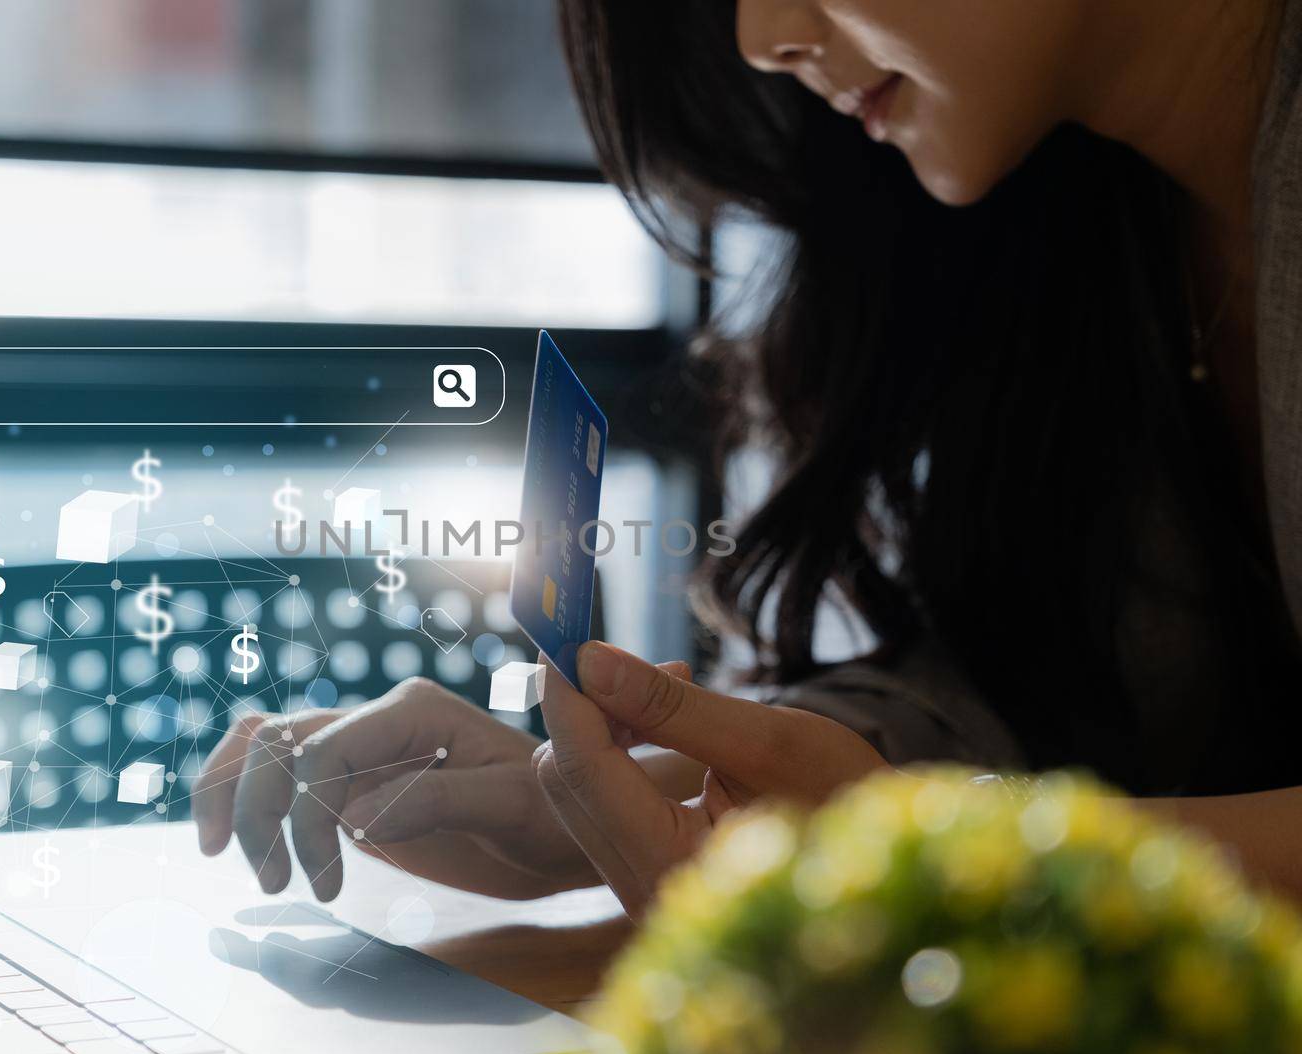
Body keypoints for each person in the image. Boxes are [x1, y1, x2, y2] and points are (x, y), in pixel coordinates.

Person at [194, 0, 1302, 915]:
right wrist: (580, 802)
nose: (759, 33)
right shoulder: (1092, 225)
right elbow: (1048, 680)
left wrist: (937, 859)